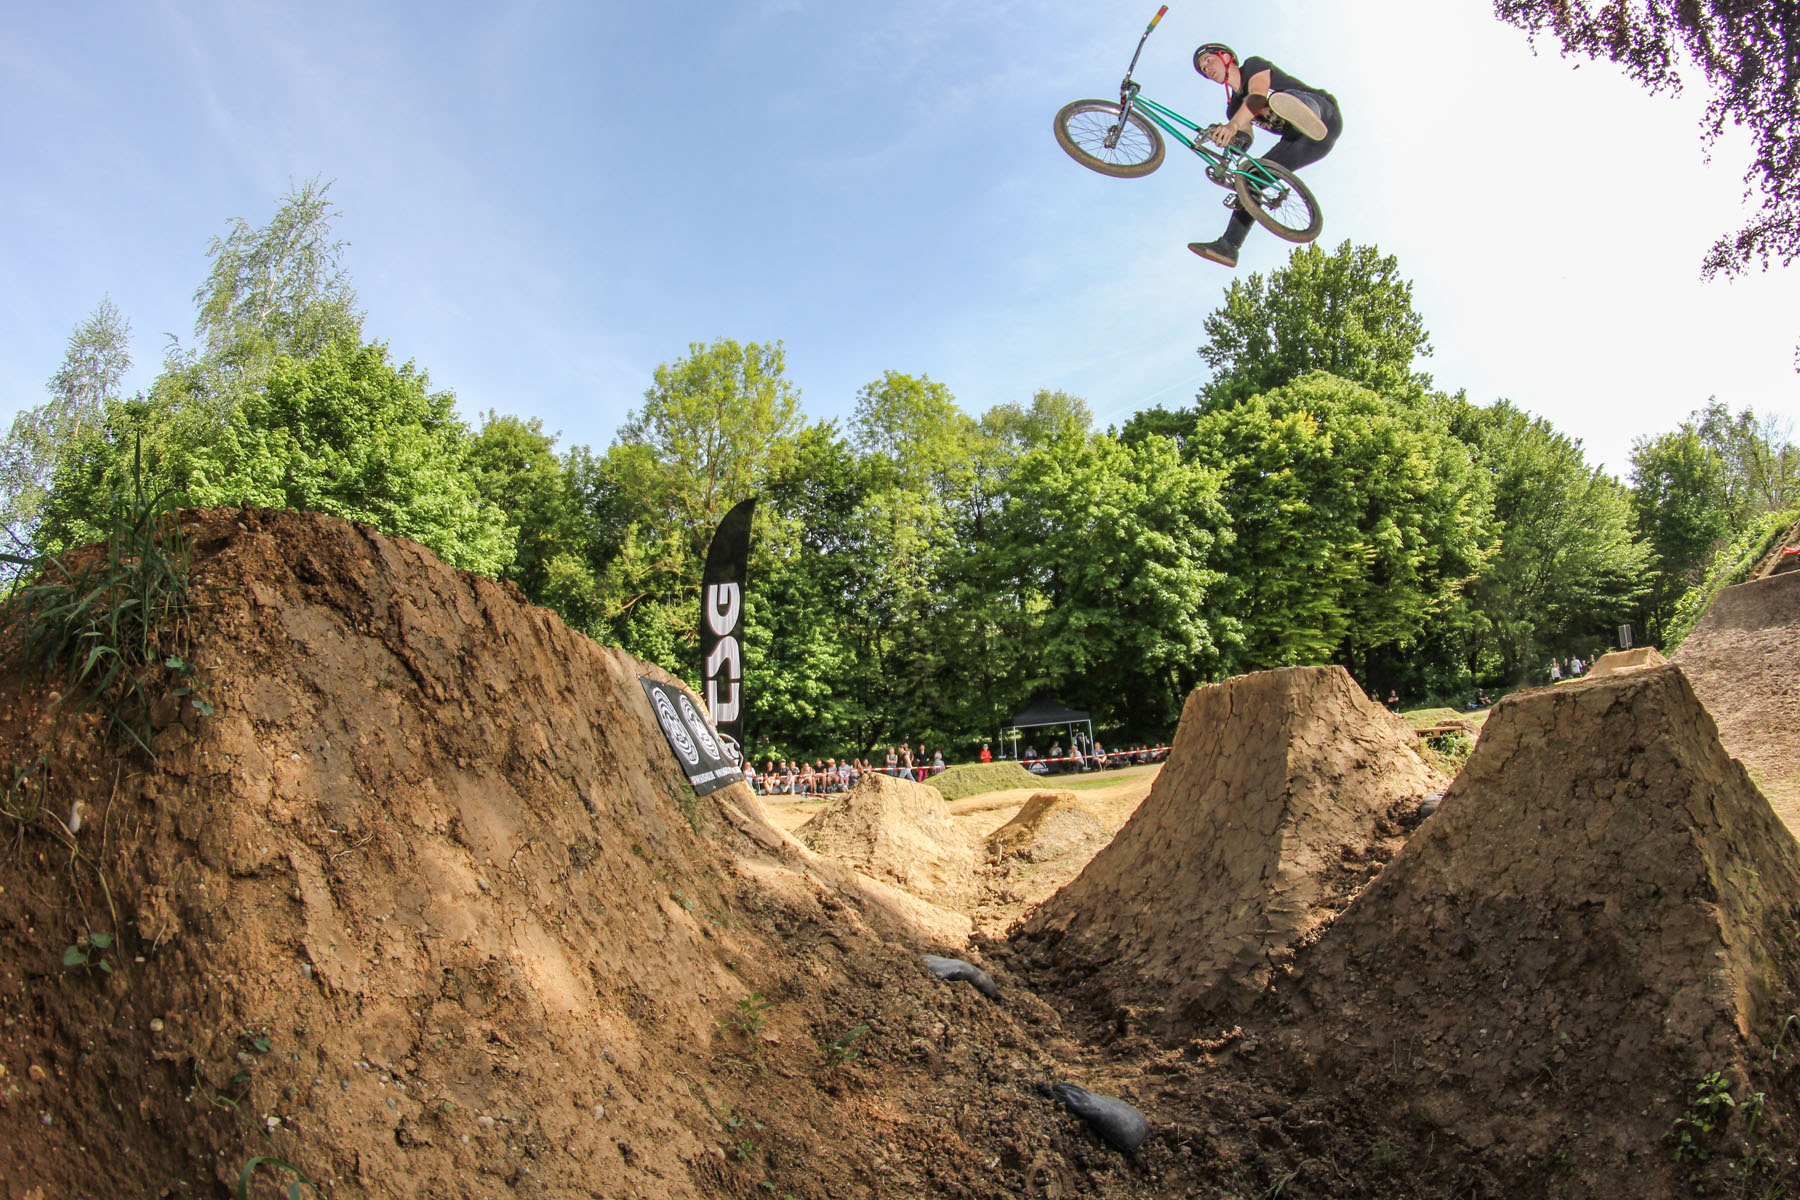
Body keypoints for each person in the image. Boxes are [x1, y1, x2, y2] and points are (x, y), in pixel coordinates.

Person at [1187, 43, 1343, 268]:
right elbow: (1245, 139)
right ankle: (1229, 246)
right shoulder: (1234, 110)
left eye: (1209, 60)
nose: (1207, 68)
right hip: (1303, 143)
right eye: (1203, 69)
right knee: (1251, 178)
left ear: (1226, 57)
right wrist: (1226, 140)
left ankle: (1305, 111)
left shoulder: (1253, 66)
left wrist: (1232, 126)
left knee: (1286, 98)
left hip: (1326, 117)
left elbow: (1258, 95)